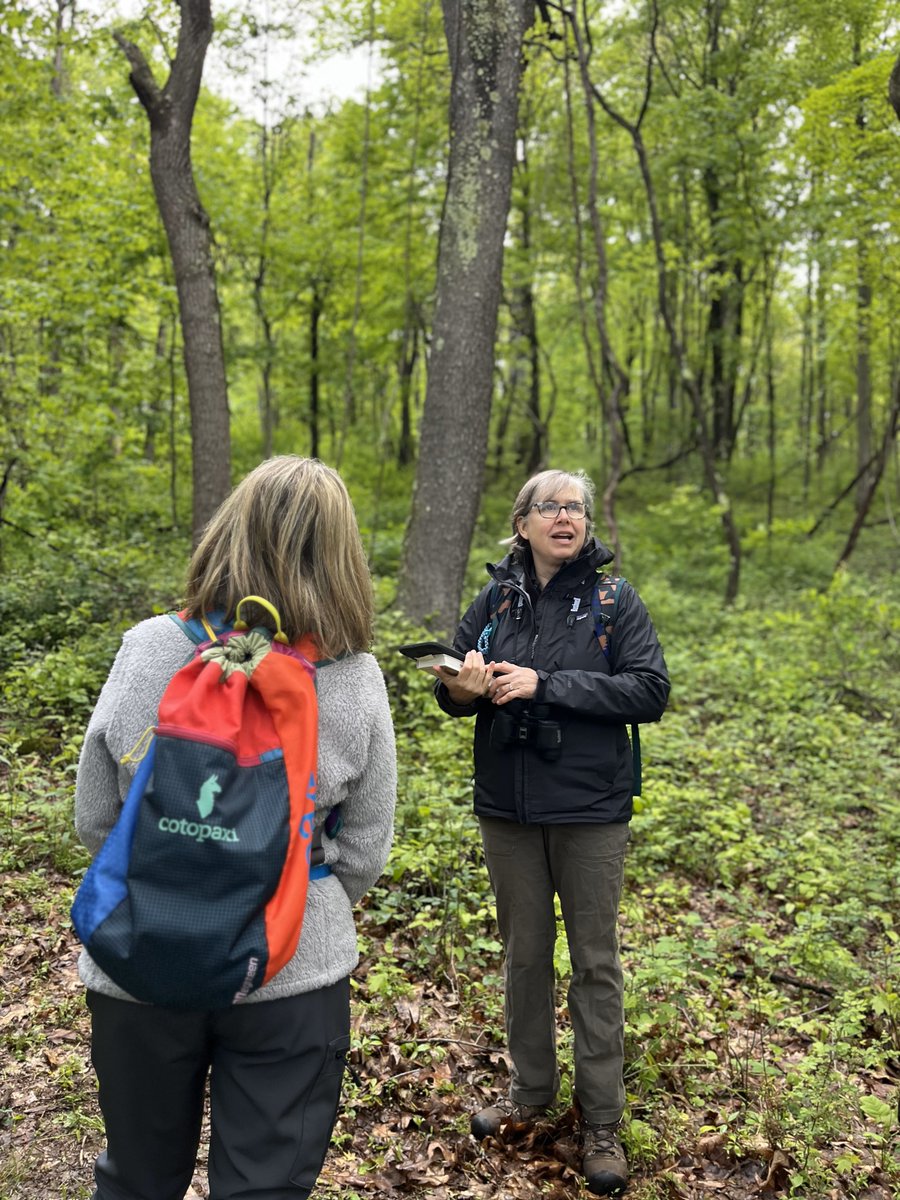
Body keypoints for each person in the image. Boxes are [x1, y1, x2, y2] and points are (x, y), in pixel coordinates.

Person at [74, 456, 397, 1200]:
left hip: (138, 958)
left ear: (230, 529)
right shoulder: (351, 676)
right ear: (342, 553)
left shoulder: (150, 647)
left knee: (137, 1182)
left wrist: (173, 876)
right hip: (293, 968)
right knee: (265, 1188)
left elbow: (96, 813)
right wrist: (291, 897)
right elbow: (365, 849)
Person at [433, 469, 669, 1198]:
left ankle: (601, 1122)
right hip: (507, 805)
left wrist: (547, 684)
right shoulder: (497, 598)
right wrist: (459, 689)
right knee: (524, 957)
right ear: (524, 521)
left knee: (595, 964)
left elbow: (649, 690)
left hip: (592, 810)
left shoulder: (613, 600)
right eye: (551, 507)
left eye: (577, 508)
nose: (566, 517)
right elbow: (453, 680)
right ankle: (529, 1094)